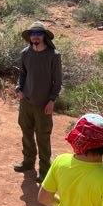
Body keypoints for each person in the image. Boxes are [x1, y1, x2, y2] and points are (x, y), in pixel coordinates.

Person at [14, 21, 63, 183]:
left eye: (38, 33)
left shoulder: (53, 56)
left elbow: (58, 81)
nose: (35, 36)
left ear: (44, 36)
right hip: (26, 101)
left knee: (43, 137)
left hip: (44, 104)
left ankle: (44, 171)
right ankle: (28, 163)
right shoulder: (25, 53)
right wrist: (19, 88)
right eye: (32, 33)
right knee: (26, 133)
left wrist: (52, 100)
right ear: (30, 36)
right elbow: (23, 73)